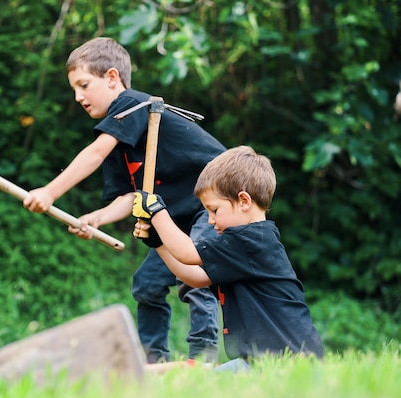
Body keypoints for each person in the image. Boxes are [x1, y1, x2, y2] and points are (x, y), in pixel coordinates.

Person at [22, 37, 226, 363]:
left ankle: (202, 360)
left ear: (113, 78)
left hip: (213, 204)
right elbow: (130, 196)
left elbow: (94, 153)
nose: (78, 97)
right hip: (172, 220)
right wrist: (98, 218)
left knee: (195, 274)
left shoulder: (131, 105)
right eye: (74, 89)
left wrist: (50, 191)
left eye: (84, 85)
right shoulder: (121, 142)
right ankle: (153, 361)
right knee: (146, 285)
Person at [133, 145, 325, 371]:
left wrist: (156, 211)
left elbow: (186, 252)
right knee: (197, 378)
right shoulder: (245, 245)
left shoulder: (251, 240)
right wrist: (158, 242)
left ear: (244, 201)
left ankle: (140, 373)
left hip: (287, 363)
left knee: (203, 384)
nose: (211, 220)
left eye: (214, 210)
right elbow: (194, 277)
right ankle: (138, 373)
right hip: (259, 362)